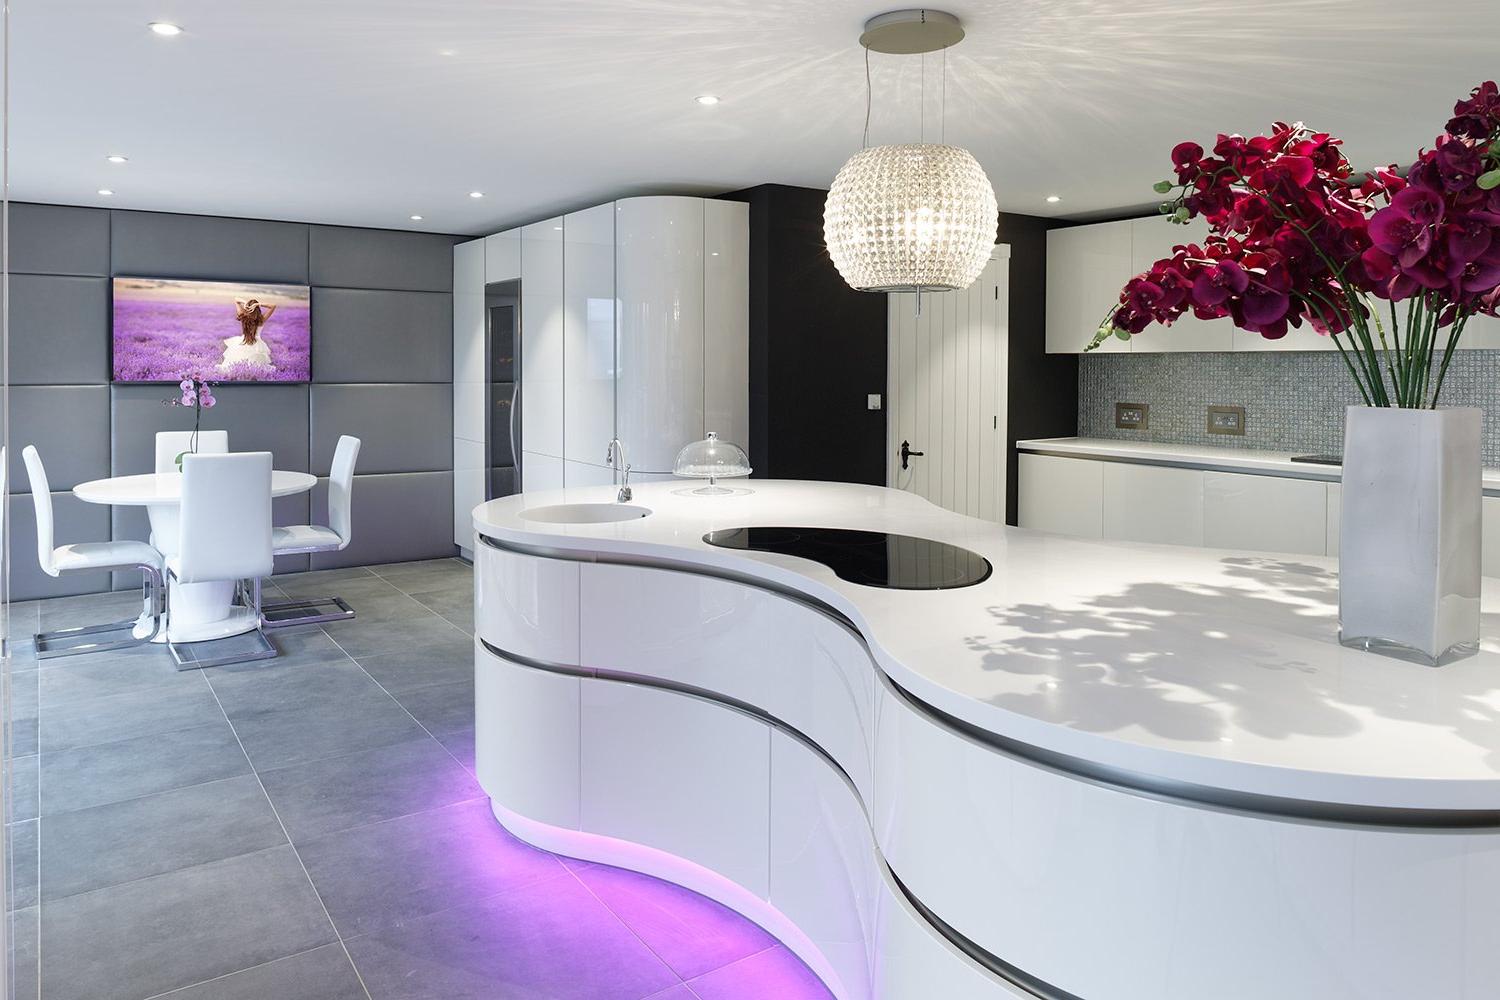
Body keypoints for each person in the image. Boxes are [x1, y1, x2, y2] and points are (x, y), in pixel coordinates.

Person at [219, 298, 278, 370]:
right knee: (256, 367)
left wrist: (245, 303)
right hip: (256, 344)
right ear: (258, 309)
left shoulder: (243, 316)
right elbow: (273, 306)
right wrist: (258, 304)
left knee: (237, 363)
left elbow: (236, 300)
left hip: (243, 341)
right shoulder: (261, 319)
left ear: (247, 308)